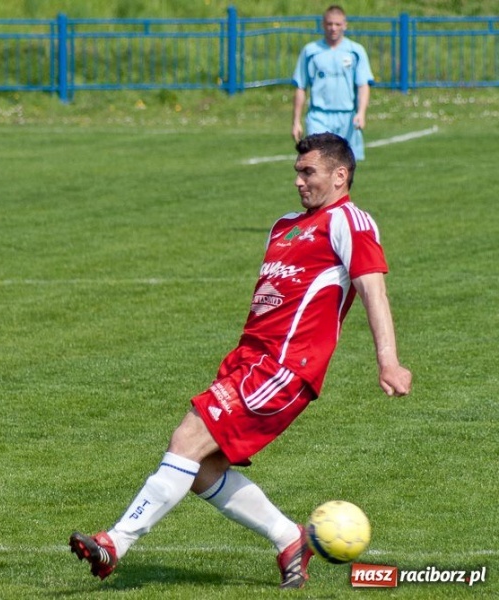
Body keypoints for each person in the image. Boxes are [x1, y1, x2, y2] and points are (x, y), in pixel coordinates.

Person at [68, 133, 411, 589]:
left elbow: (372, 289)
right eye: (297, 171)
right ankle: (290, 539)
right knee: (202, 469)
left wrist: (388, 361)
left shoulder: (350, 222)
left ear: (340, 175)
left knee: (187, 440)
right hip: (247, 361)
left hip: (284, 367)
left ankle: (114, 543)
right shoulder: (284, 226)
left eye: (308, 172)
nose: (298, 181)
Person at [291, 5, 373, 160]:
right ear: (323, 24)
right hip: (318, 116)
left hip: (347, 117)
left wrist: (361, 113)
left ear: (345, 25)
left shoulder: (355, 51)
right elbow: (300, 87)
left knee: (345, 166)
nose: (333, 28)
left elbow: (363, 85)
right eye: (329, 24)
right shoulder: (310, 51)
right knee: (318, 163)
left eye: (337, 24)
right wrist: (296, 121)